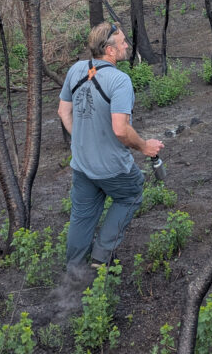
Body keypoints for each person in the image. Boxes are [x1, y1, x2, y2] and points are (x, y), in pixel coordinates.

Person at [58, 22, 164, 271]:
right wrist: (145, 146)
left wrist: (83, 138)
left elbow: (63, 111)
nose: (127, 45)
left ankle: (74, 271)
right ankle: (100, 259)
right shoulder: (119, 81)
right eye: (123, 42)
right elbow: (120, 129)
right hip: (113, 167)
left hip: (82, 165)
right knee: (131, 194)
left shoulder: (75, 70)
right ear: (110, 51)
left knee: (82, 216)